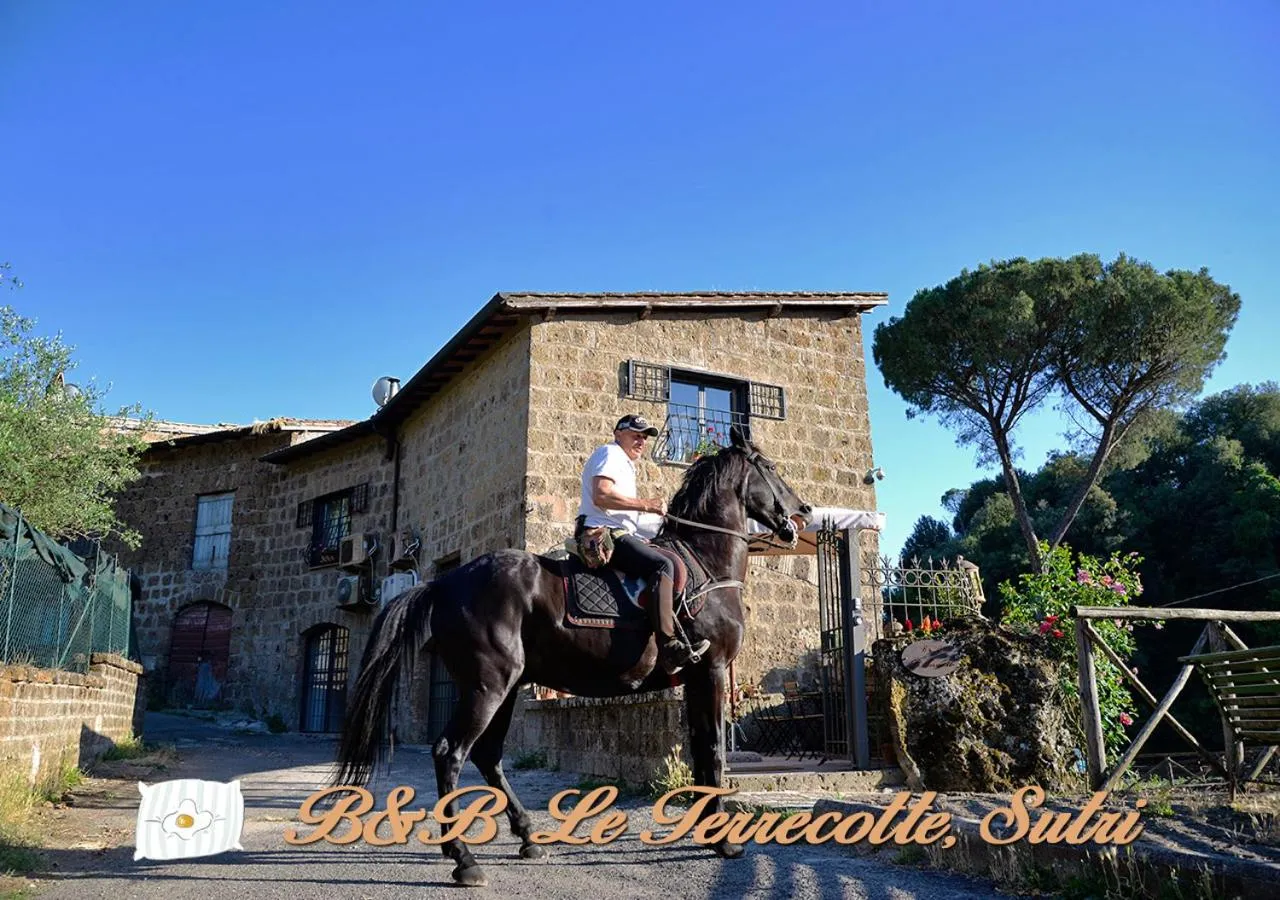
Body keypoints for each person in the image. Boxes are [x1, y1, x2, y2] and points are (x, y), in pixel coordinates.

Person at [577, 414, 711, 674]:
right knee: (662, 565)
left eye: (644, 437)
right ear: (618, 433)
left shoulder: (624, 462)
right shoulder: (611, 453)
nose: (641, 441)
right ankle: (669, 647)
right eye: (636, 434)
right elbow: (602, 494)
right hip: (606, 534)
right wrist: (647, 504)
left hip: (621, 531)